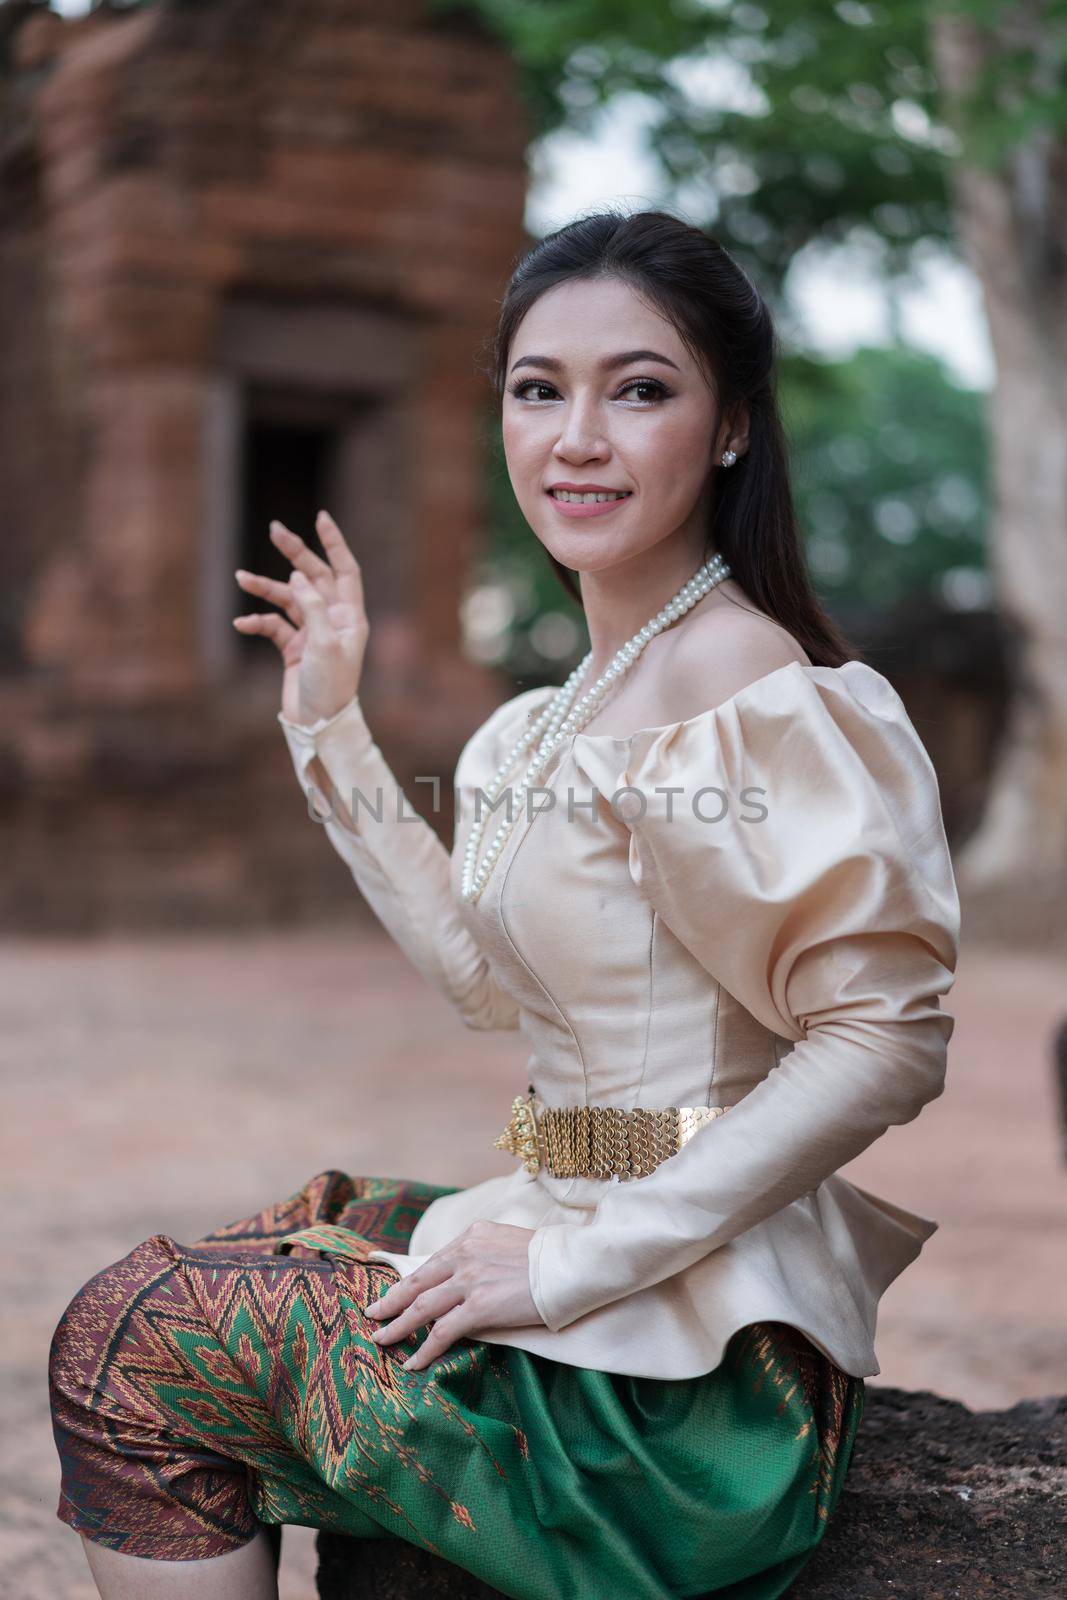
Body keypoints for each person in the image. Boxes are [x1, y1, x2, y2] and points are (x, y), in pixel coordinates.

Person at [47, 208, 960, 1600]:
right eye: (540, 390)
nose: (577, 438)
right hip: (577, 1221)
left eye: (639, 389)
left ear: (729, 429)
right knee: (274, 1242)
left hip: (684, 1359)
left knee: (131, 1339)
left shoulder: (746, 683)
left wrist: (578, 1264)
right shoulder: (539, 724)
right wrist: (333, 730)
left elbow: (882, 1036)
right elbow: (486, 983)